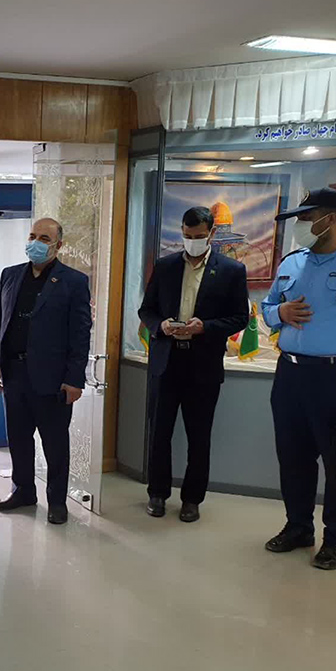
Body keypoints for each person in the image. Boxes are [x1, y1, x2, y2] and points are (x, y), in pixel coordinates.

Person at [261, 188, 336, 570]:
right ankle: (298, 527)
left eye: (304, 218)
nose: (299, 226)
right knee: (293, 458)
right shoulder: (293, 262)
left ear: (329, 219)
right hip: (291, 373)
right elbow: (267, 309)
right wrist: (280, 312)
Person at [137, 207, 249, 523]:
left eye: (199, 236)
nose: (193, 241)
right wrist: (161, 326)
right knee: (159, 433)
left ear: (211, 234)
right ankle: (157, 493)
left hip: (203, 365)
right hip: (166, 361)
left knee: (199, 437)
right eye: (187, 236)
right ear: (182, 232)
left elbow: (240, 317)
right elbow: (147, 310)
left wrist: (205, 327)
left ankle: (192, 499)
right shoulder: (166, 266)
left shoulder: (231, 271)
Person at [0, 217, 91, 525]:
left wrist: (74, 379)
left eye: (44, 239)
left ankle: (57, 501)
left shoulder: (74, 281)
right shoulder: (10, 275)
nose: (35, 243)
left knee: (55, 443)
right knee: (18, 438)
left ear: (59, 245)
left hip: (53, 378)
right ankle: (23, 491)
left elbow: (80, 334)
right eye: (32, 236)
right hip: (14, 372)